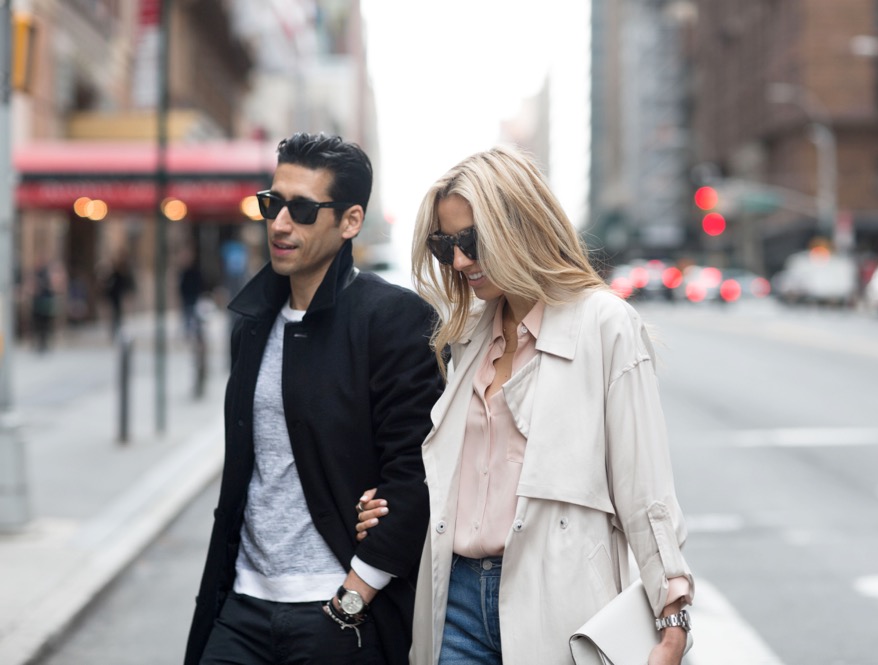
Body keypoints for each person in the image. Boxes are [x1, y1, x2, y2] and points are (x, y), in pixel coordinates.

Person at [356, 146, 694, 665]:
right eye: (445, 246)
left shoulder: (604, 324)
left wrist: (671, 620)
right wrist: (387, 504)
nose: (460, 261)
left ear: (519, 225)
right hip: (458, 602)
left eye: (471, 241)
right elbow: (446, 470)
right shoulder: (465, 337)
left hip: (560, 602)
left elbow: (644, 488)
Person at [184, 132, 442, 665]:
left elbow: (415, 472)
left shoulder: (392, 320)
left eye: (301, 210)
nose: (279, 224)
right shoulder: (252, 325)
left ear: (349, 221)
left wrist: (354, 596)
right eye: (272, 204)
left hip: (336, 614)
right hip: (242, 605)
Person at [103, 252, 135, 340]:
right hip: (114, 298)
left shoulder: (122, 275)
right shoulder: (114, 274)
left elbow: (127, 285)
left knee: (118, 316)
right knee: (115, 316)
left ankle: (119, 332)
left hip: (118, 298)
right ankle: (115, 332)